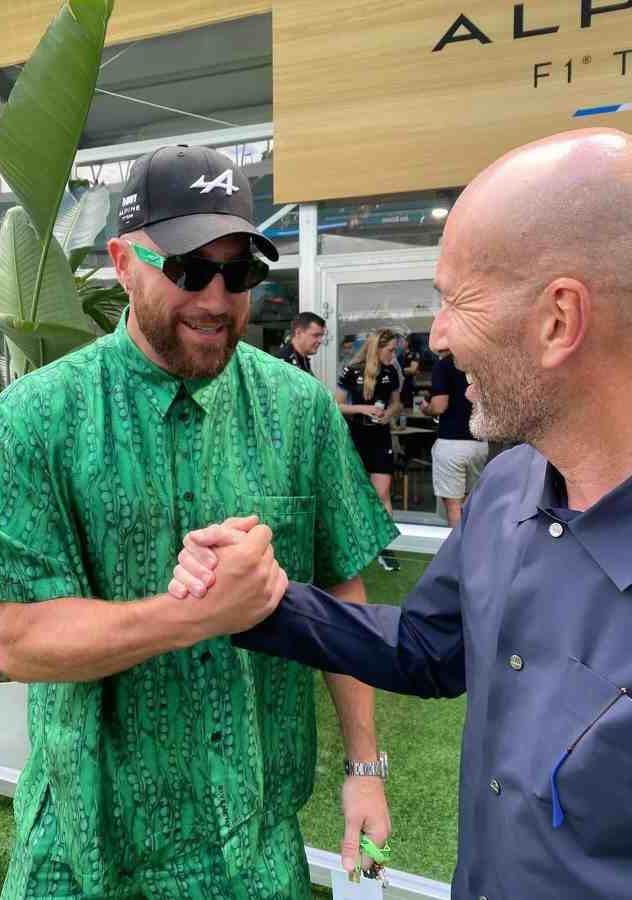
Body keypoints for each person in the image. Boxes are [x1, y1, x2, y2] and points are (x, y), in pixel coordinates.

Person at [168, 127, 632, 900]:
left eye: (456, 299)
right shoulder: (509, 488)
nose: (439, 335)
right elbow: (426, 647)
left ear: (559, 319)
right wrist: (264, 601)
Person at [0, 144, 398, 899]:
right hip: (87, 848)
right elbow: (17, 639)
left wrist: (364, 767)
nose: (215, 297)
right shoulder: (35, 418)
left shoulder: (297, 409)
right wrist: (201, 614)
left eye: (238, 271)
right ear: (122, 262)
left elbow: (343, 587)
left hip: (251, 843)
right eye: (186, 268)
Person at [335, 329, 403, 571]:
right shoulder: (353, 370)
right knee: (352, 493)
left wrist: (389, 415)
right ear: (377, 348)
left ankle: (385, 548)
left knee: (382, 494)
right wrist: (362, 409)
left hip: (380, 437)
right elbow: (337, 405)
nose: (394, 355)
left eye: (395, 350)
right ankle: (353, 544)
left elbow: (397, 403)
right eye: (391, 350)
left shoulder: (391, 371)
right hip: (355, 437)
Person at [417, 352, 487, 529]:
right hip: (479, 442)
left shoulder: (445, 364)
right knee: (472, 502)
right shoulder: (480, 361)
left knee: (454, 505)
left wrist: (426, 409)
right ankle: (473, 550)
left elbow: (439, 406)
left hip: (452, 443)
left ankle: (456, 553)